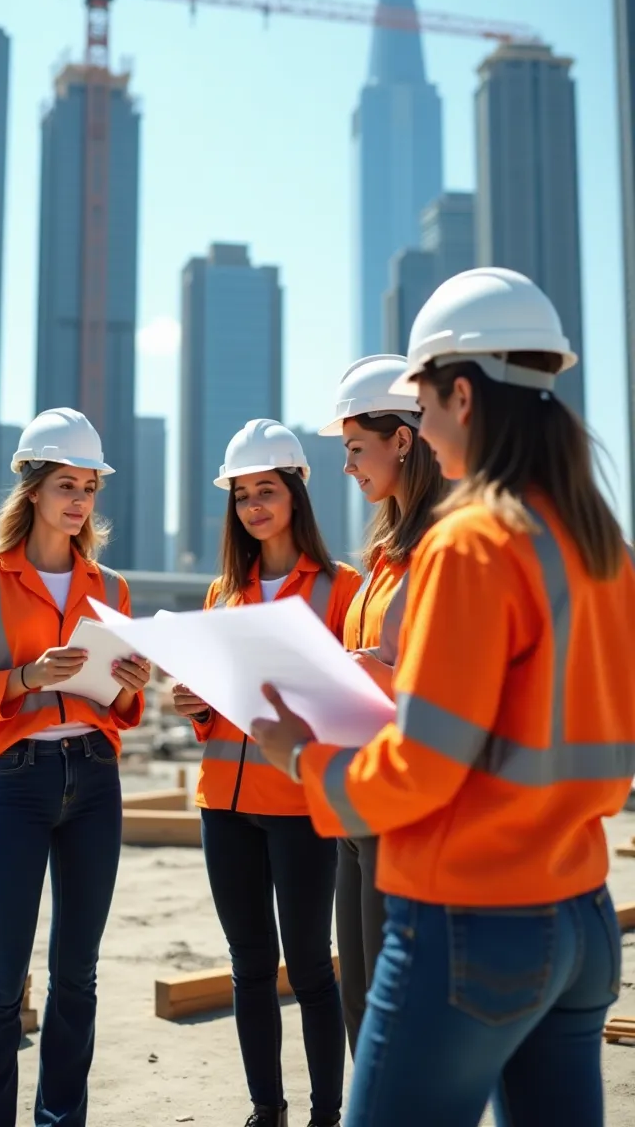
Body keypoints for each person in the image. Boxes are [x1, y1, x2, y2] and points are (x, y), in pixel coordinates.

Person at [251, 268, 635, 1127]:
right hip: (580, 917)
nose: (419, 427)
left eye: (421, 407)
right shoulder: (601, 545)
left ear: (462, 394)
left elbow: (424, 766)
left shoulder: (473, 542)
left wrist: (303, 763)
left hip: (473, 923)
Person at [0, 408, 151, 1127]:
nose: (80, 500)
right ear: (32, 489)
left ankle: (63, 1121)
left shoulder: (110, 588)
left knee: (78, 978)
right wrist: (26, 677)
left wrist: (129, 680)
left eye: (89, 486)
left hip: (94, 780)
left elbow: (118, 708)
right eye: (66, 483)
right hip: (16, 784)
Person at [172, 420, 362, 1127]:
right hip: (223, 803)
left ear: (295, 494)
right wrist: (192, 704)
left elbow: (357, 709)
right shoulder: (224, 594)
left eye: (267, 490)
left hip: (303, 804)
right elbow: (215, 714)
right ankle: (266, 1109)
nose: (254, 506)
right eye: (242, 493)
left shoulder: (342, 589)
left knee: (311, 965)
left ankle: (325, 1113)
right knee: (248, 964)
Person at [318, 354, 444, 1055]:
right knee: (360, 1014)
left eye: (355, 450)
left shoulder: (441, 550)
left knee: (396, 1026)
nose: (349, 467)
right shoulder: (385, 558)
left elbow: (455, 684)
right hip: (356, 809)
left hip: (407, 813)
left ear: (402, 438)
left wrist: (375, 674)